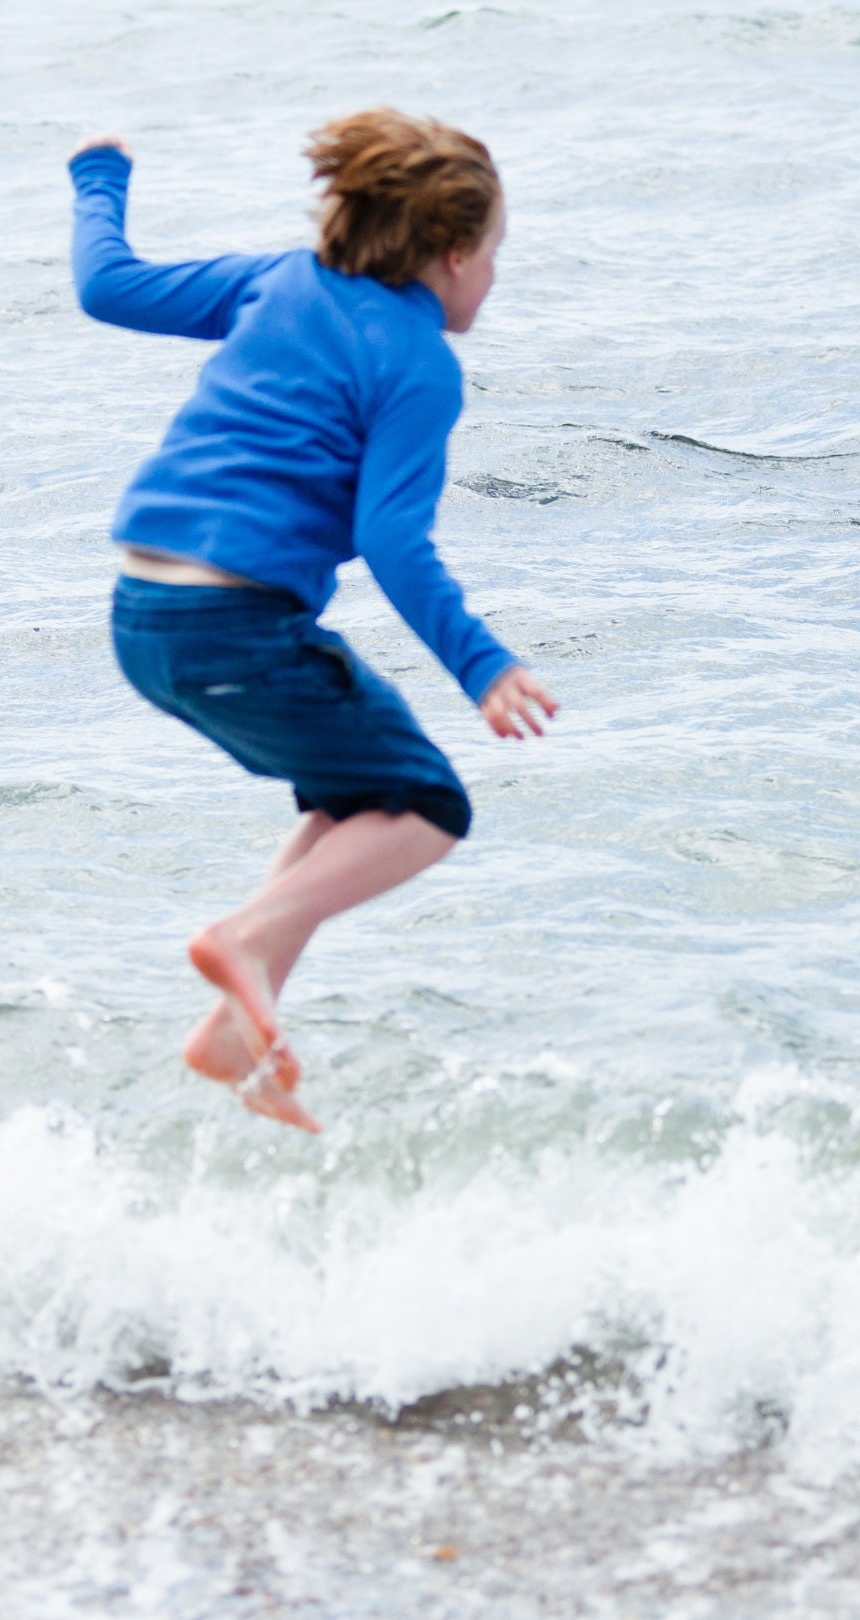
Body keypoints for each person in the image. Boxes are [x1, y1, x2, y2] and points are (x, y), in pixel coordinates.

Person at [67, 109, 558, 1133]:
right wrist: (483, 665)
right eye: (498, 255)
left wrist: (99, 176)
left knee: (354, 797)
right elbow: (393, 540)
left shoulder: (279, 280)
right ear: (453, 253)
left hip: (142, 611)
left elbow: (106, 287)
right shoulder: (420, 365)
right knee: (428, 807)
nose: (497, 279)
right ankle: (247, 940)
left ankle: (238, 1022)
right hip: (235, 624)